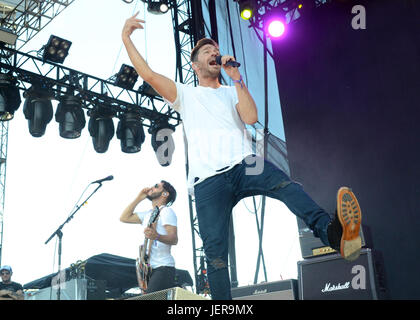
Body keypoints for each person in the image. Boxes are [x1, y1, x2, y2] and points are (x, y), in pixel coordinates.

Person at [121, 12, 363, 300]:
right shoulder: (185, 94)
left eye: (216, 50)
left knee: (287, 187)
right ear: (196, 64)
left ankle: (334, 234)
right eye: (207, 51)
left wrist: (237, 79)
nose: (215, 53)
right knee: (215, 254)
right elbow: (147, 74)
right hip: (208, 180)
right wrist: (125, 37)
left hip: (244, 164)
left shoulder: (231, 90)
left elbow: (251, 116)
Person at [120, 180, 178, 294]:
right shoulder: (148, 214)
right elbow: (124, 218)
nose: (152, 187)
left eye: (156, 186)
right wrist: (139, 198)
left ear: (165, 194)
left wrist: (156, 236)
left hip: (163, 267)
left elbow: (174, 239)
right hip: (149, 269)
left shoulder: (166, 211)